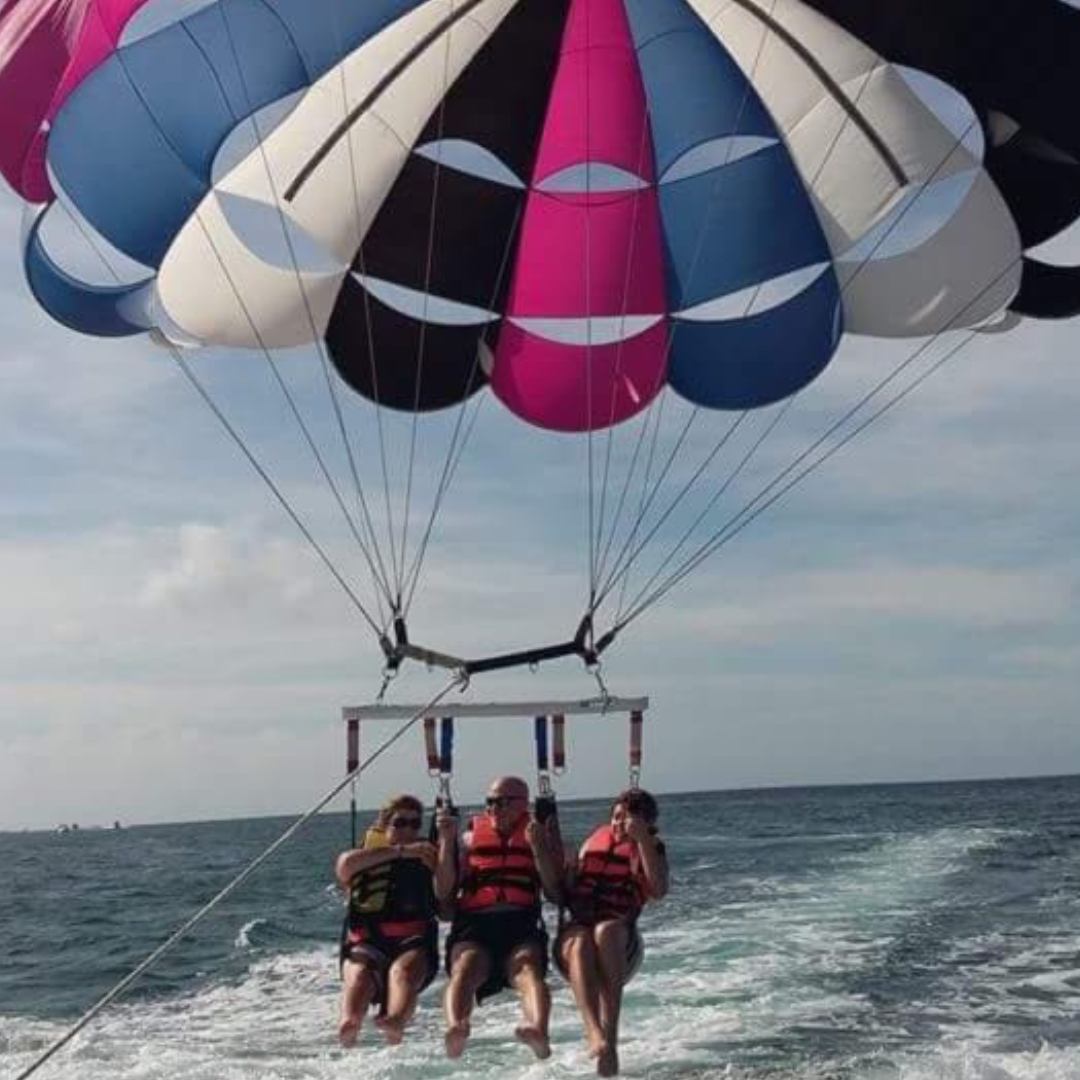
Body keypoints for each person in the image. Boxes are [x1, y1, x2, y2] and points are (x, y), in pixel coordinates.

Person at [437, 775, 563, 1060]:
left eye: (504, 802)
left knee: (528, 970)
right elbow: (443, 890)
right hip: (474, 923)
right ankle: (457, 1026)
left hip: (520, 921)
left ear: (524, 804)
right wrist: (446, 842)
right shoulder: (468, 838)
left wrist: (539, 849)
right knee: (465, 969)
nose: (495, 808)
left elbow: (555, 892)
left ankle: (538, 1029)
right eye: (490, 802)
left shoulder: (538, 835)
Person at [556, 788, 669, 1077]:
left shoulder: (650, 846)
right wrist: (567, 866)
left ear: (647, 823)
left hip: (619, 932)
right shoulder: (594, 841)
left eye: (629, 819)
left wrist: (642, 839)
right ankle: (594, 1032)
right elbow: (566, 892)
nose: (620, 824)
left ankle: (611, 1037)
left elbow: (657, 889)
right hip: (578, 926)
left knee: (606, 931)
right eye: (617, 817)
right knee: (581, 942)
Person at [335, 794, 456, 1047]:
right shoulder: (365, 854)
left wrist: (445, 839)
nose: (408, 830)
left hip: (412, 942)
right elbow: (344, 867)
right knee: (359, 975)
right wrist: (399, 852)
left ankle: (396, 1021)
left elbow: (444, 890)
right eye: (400, 823)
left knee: (402, 973)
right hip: (366, 940)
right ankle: (350, 1023)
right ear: (384, 825)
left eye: (415, 824)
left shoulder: (426, 854)